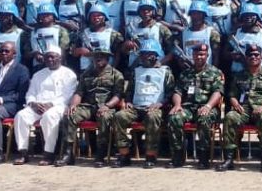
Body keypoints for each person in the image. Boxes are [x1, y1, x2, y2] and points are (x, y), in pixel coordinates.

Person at [216, 43, 262, 173]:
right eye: (250, 55)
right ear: (246, 58)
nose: (253, 57)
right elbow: (232, 94)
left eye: (256, 55)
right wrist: (235, 103)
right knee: (230, 117)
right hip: (243, 109)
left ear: (261, 57)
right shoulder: (239, 75)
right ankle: (229, 159)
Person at [113, 39, 175, 168]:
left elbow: (170, 93)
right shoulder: (136, 71)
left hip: (155, 107)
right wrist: (128, 101)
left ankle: (150, 156)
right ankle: (124, 154)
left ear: (155, 55)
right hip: (136, 107)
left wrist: (160, 104)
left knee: (153, 117)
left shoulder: (165, 71)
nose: (143, 57)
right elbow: (130, 90)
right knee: (119, 116)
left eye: (147, 54)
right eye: (142, 54)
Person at [57, 49, 125, 167]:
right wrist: (73, 105)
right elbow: (79, 93)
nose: (98, 58)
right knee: (69, 115)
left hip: (107, 107)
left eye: (102, 56)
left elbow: (118, 95)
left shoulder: (116, 74)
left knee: (104, 117)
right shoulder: (86, 74)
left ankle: (101, 154)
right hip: (89, 107)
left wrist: (107, 106)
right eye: (96, 56)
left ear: (107, 58)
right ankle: (68, 154)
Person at [13, 45, 78, 165]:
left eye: (53, 57)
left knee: (49, 117)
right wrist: (32, 103)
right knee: (20, 116)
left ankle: (49, 154)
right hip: (38, 106)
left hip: (58, 106)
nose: (49, 59)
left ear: (60, 58)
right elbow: (30, 93)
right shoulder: (38, 74)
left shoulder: (69, 74)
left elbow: (68, 95)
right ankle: (23, 153)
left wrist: (51, 104)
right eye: (47, 57)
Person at [167, 42, 225, 169]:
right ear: (192, 55)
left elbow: (218, 92)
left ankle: (204, 157)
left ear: (207, 55)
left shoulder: (216, 72)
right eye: (197, 54)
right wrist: (177, 105)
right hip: (188, 108)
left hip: (207, 107)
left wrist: (208, 106)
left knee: (204, 118)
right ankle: (178, 156)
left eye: (202, 54)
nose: (199, 57)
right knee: (174, 118)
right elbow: (177, 92)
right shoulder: (185, 73)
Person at [73, 2, 124, 72]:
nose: (96, 18)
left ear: (104, 17)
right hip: (86, 71)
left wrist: (112, 71)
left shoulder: (113, 34)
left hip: (106, 71)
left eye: (99, 15)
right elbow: (74, 53)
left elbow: (117, 55)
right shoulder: (83, 34)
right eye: (93, 16)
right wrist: (79, 50)